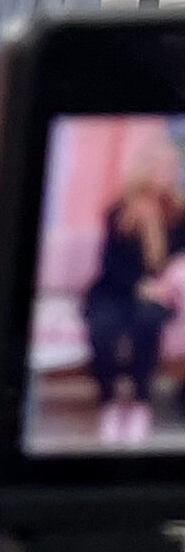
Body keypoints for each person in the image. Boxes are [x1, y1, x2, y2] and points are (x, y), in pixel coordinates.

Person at [83, 139, 185, 442]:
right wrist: (139, 285)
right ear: (144, 170)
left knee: (148, 323)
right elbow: (110, 262)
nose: (166, 174)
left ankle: (140, 401)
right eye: (160, 168)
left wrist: (162, 283)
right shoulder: (119, 211)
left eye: (171, 168)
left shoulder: (178, 212)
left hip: (158, 294)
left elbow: (180, 256)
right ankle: (110, 402)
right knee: (101, 328)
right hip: (114, 289)